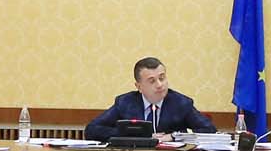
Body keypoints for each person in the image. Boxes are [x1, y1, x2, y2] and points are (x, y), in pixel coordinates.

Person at [86, 57, 217, 142]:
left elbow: (209, 130)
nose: (160, 85)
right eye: (152, 81)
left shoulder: (181, 103)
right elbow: (92, 130)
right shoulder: (125, 103)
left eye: (162, 78)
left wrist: (173, 136)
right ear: (139, 86)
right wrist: (135, 135)